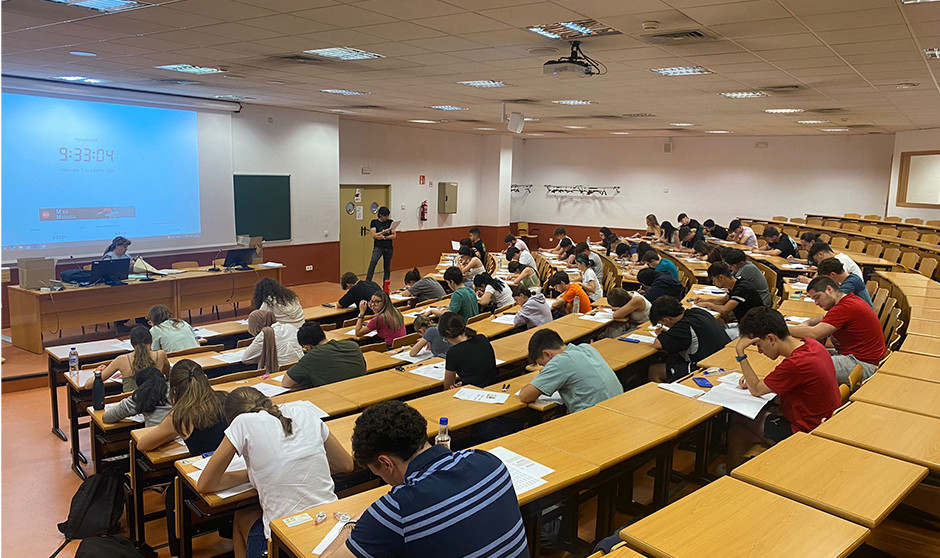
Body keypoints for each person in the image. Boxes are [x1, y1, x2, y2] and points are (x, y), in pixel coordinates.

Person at [318, 401, 528, 558]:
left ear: (386, 463)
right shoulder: (488, 461)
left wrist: (352, 523)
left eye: (377, 472)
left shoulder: (398, 508)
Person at [197, 387, 354, 558]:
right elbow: (346, 465)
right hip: (333, 524)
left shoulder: (242, 422)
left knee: (242, 514)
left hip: (286, 540)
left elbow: (205, 484)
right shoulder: (302, 410)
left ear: (231, 419)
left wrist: (257, 474)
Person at [726, 307, 841, 469]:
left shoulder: (795, 364)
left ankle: (733, 478)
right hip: (823, 424)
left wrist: (740, 353)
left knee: (738, 426)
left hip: (804, 433)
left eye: (759, 345)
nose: (759, 351)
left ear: (771, 338)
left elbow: (757, 390)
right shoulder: (811, 345)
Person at [137, 360, 229, 557]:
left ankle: (177, 552)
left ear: (174, 390)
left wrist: (171, 433)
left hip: (205, 481)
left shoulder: (180, 416)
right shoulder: (225, 399)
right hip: (235, 471)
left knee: (173, 494)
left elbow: (143, 444)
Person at [788, 276, 887, 384]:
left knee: (804, 365)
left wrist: (783, 329)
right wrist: (806, 323)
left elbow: (814, 333)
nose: (816, 303)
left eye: (817, 297)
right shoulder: (847, 301)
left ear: (829, 290)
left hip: (864, 364)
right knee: (801, 353)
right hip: (857, 357)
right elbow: (823, 318)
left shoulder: (845, 307)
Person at [520, 330, 623, 413]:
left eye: (543, 364)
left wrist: (547, 372)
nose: (545, 367)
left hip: (595, 417)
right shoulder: (586, 348)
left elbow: (525, 396)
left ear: (547, 354)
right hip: (618, 408)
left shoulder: (559, 362)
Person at [648, 296, 730, 382]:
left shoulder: (684, 326)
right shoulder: (697, 312)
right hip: (723, 358)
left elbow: (658, 344)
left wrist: (661, 334)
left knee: (655, 370)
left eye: (661, 324)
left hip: (707, 368)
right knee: (672, 357)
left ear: (667, 320)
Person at [86, 325, 169, 392]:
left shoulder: (122, 360)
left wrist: (97, 372)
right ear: (151, 341)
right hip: (156, 403)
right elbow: (167, 375)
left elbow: (88, 385)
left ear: (132, 344)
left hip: (131, 408)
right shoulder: (161, 355)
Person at [282, 322, 366, 388]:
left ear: (308, 347)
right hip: (362, 389)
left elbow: (286, 383)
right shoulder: (353, 345)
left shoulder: (312, 356)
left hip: (336, 397)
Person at [440, 312, 498, 389]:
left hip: (473, 391)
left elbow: (448, 385)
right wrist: (463, 382)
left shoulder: (454, 352)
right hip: (494, 384)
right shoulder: (482, 338)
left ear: (448, 333)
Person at [102, 366, 172, 427]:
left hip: (154, 438)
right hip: (179, 437)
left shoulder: (140, 396)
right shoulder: (176, 390)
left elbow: (107, 417)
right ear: (164, 376)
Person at [696, 262, 764, 324]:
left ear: (721, 277)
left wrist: (708, 304)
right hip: (745, 320)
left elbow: (725, 309)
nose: (713, 283)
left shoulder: (742, 288)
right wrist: (705, 300)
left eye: (714, 280)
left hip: (754, 324)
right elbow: (724, 300)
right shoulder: (734, 284)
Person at [242, 309, 304, 375]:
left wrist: (264, 356)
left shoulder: (264, 334)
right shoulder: (290, 327)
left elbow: (246, 359)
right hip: (300, 365)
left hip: (279, 371)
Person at [366, 206, 395, 288]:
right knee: (373, 262)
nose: (385, 217)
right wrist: (384, 232)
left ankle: (386, 286)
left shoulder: (390, 222)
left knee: (387, 267)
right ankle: (367, 282)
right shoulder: (374, 222)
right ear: (380, 215)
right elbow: (374, 235)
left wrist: (384, 237)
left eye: (387, 216)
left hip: (389, 247)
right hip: (378, 247)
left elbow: (394, 235)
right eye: (384, 215)